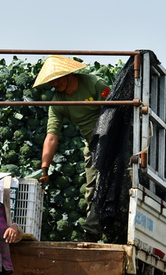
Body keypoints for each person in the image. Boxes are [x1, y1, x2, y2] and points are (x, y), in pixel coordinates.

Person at [33, 55, 111, 242]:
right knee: (91, 189)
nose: (54, 84)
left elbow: (117, 110)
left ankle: (92, 231)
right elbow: (52, 136)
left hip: (112, 137)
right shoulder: (57, 102)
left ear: (68, 73)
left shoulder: (94, 83)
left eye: (57, 78)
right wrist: (45, 167)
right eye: (50, 81)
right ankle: (96, 231)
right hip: (91, 143)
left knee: (105, 183)